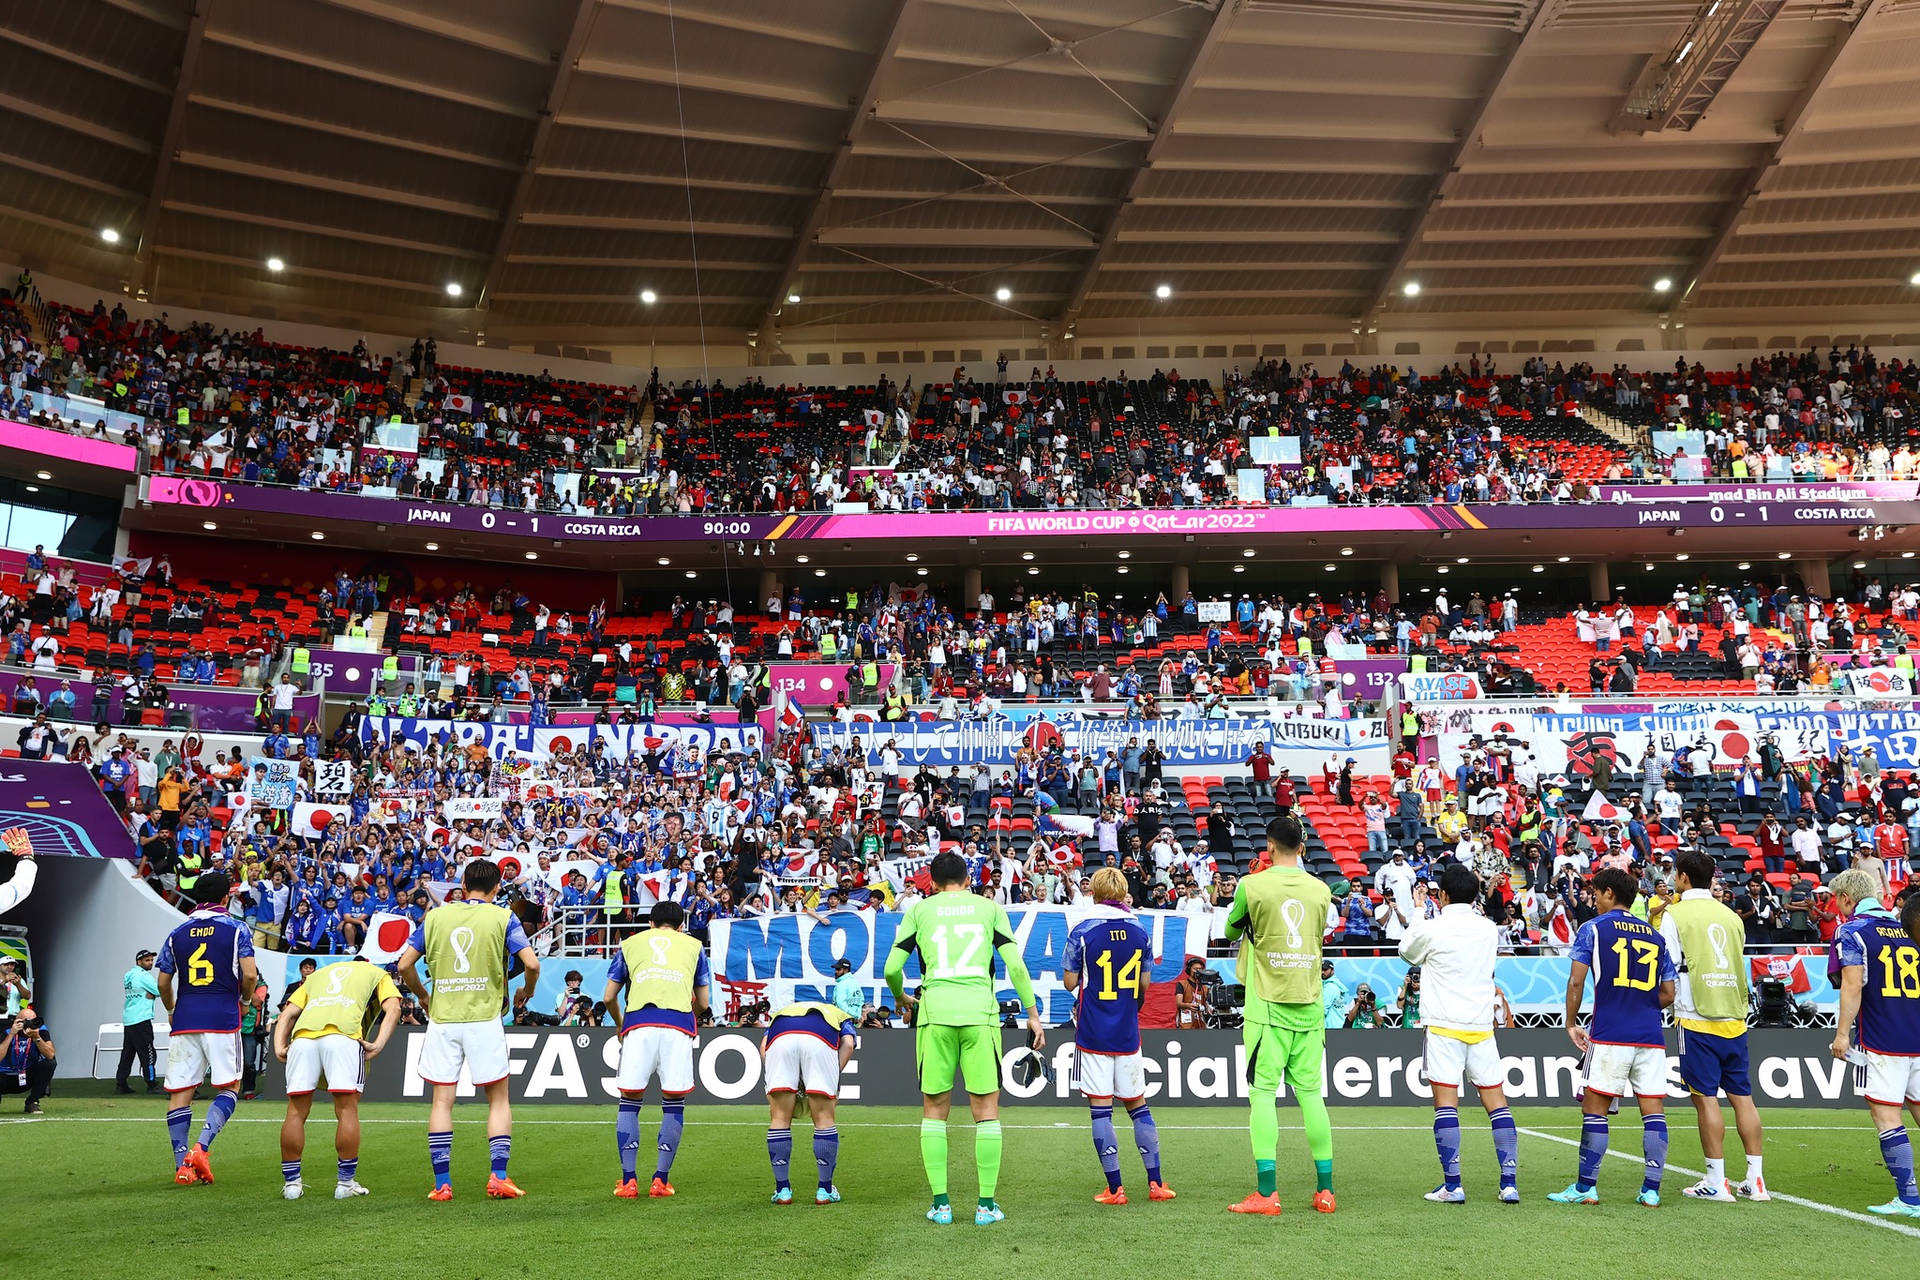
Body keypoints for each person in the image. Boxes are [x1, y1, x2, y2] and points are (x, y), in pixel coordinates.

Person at [884, 849, 1045, 1227]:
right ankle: (986, 1206)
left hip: (935, 1014)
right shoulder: (988, 908)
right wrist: (1032, 1013)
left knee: (934, 1112)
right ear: (969, 880)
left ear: (933, 884)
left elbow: (893, 967)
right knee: (986, 1113)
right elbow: (1015, 965)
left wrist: (902, 998)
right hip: (980, 1014)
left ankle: (941, 1205)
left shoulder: (919, 911)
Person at [398, 858, 540, 1201]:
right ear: (496, 888)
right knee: (498, 1099)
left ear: (462, 885)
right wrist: (526, 991)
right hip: (484, 1017)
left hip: (444, 1018)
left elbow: (403, 964)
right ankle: (498, 1176)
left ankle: (442, 1184)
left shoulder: (434, 917)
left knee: (442, 1101)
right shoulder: (503, 916)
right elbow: (532, 963)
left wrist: (423, 995)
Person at [1223, 814, 1336, 1215]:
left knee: (1262, 1096)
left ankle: (1268, 1194)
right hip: (1309, 1005)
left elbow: (1231, 931)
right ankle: (1325, 1191)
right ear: (1302, 848)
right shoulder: (1321, 890)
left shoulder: (1251, 885)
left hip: (1267, 1008)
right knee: (1311, 1096)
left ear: (1269, 846)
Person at [1549, 867, 1676, 1207]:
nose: (1592, 899)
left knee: (1595, 1108)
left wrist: (1571, 1022)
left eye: (1595, 893)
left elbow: (1576, 981)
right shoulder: (1655, 935)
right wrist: (1643, 1006)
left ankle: (1585, 1187)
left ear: (1608, 893)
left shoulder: (1593, 929)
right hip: (1650, 1034)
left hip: (1610, 1033)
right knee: (1653, 1111)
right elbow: (1669, 992)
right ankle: (1651, 1190)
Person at [1398, 864, 1519, 1204]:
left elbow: (1407, 951)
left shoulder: (1435, 928)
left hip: (1444, 1025)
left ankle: (1453, 1186)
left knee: (1446, 1104)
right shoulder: (1487, 928)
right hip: (1480, 1026)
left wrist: (1420, 910)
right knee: (1496, 1101)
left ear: (1444, 894)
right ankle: (1508, 1183)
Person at [1659, 850, 1767, 1202]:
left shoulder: (1675, 914)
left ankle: (1716, 1181)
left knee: (1705, 1099)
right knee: (1743, 1097)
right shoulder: (1731, 916)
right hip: (1734, 1013)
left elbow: (1670, 965)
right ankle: (1756, 1179)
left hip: (1696, 1013)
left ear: (1684, 878)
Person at [1062, 866, 1173, 1206]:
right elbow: (1144, 985)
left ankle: (1115, 1189)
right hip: (1127, 1032)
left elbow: (1069, 983)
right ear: (1123, 892)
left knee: (1101, 1110)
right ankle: (1155, 1184)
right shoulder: (1140, 932)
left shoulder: (1082, 930)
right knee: (1138, 1106)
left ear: (1094, 893)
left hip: (1094, 1031)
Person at [155, 871, 260, 1185]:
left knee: (181, 1092)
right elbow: (250, 975)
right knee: (230, 1087)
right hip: (222, 1016)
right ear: (225, 898)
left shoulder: (177, 932)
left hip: (186, 1016)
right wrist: (244, 1000)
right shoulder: (237, 928)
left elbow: (162, 981)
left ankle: (181, 1165)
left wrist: (172, 1009)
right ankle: (200, 1148)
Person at [271, 953, 403, 1200]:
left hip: (302, 1040)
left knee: (296, 1111)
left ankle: (291, 1186)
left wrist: (279, 1044)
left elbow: (288, 1013)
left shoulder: (318, 975)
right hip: (343, 1037)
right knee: (346, 1109)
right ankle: (345, 1184)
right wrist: (379, 1043)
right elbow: (393, 1007)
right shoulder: (376, 973)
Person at [1828, 869, 1920, 1217]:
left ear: (1847, 899)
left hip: (1882, 1040)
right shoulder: (1909, 926)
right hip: (1916, 1033)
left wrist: (1841, 1034)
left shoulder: (1852, 931)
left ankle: (1909, 1198)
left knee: (1886, 1117)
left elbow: (1851, 985)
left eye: (1837, 900)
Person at [602, 900, 710, 1199]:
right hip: (677, 1026)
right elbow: (702, 1003)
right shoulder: (694, 947)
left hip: (638, 1023)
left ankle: (628, 1181)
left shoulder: (629, 944)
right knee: (673, 1103)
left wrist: (620, 1024)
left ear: (650, 924)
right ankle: (660, 1181)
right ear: (680, 927)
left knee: (629, 1101)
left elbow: (609, 996)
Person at [760, 997, 858, 1204]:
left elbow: (764, 1048)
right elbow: (848, 1044)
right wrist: (832, 1073)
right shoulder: (839, 1014)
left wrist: (782, 1077)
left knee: (779, 1117)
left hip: (780, 1038)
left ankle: (782, 1190)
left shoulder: (782, 1012)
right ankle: (824, 1190)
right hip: (819, 1039)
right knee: (823, 1117)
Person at [115, 948, 161, 1094]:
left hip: (129, 1019)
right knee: (148, 1052)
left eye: (151, 960)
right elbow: (161, 990)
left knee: (128, 1053)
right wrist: (153, 995)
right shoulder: (144, 976)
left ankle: (121, 1083)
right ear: (139, 962)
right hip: (141, 1019)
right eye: (147, 960)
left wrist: (149, 994)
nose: (150, 962)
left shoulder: (128, 975)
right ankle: (152, 1084)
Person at [0, 1008, 55, 1113]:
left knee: (50, 1063)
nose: (31, 1024)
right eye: (27, 1021)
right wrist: (11, 1034)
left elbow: (50, 1055)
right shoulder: (7, 1030)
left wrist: (36, 1037)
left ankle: (32, 1102)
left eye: (34, 1020)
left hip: (26, 1076)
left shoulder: (40, 1029)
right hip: (4, 1077)